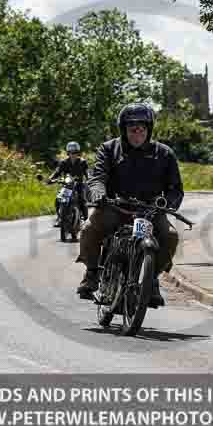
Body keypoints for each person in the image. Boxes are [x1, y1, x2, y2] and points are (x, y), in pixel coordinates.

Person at [75, 103, 183, 307]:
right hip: (115, 206)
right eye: (132, 128)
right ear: (124, 129)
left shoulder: (164, 153)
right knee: (89, 228)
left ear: (149, 129)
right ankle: (91, 273)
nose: (137, 133)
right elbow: (97, 177)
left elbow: (176, 188)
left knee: (170, 236)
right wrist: (99, 194)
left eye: (142, 128)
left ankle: (152, 279)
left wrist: (167, 203)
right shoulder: (109, 149)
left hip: (150, 211)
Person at [47, 141, 89, 227]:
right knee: (58, 199)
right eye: (70, 152)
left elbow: (87, 173)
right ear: (68, 153)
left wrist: (90, 179)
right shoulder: (64, 162)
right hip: (67, 185)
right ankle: (59, 217)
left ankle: (85, 219)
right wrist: (51, 179)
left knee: (82, 200)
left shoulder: (82, 162)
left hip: (78, 185)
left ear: (78, 153)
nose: (73, 154)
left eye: (75, 152)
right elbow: (57, 172)